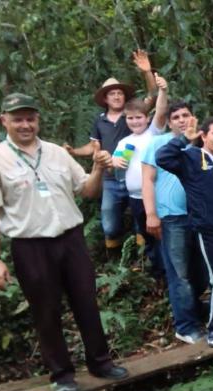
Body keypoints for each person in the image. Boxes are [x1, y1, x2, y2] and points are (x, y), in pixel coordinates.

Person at [0, 93, 129, 391]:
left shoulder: (57, 153)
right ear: (4, 120)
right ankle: (62, 375)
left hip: (71, 240)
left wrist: (98, 169)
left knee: (86, 302)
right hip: (30, 246)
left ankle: (100, 363)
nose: (25, 125)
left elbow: (87, 191)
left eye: (30, 118)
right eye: (18, 119)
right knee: (46, 311)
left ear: (37, 120)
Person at [156, 117, 213, 347]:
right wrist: (184, 139)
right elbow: (163, 158)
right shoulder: (191, 157)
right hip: (208, 231)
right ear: (203, 136)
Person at [65, 50, 158, 250]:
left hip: (136, 174)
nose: (116, 96)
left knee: (142, 219)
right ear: (105, 99)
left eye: (119, 93)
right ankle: (115, 258)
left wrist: (147, 72)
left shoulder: (133, 115)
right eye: (112, 94)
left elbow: (152, 95)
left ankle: (142, 258)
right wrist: (74, 152)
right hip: (110, 178)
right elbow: (93, 146)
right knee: (109, 223)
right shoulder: (99, 121)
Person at [141, 101, 208, 345]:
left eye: (186, 115)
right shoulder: (157, 144)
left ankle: (198, 312)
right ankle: (185, 326)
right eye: (176, 117)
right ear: (169, 122)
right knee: (180, 274)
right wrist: (151, 213)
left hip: (199, 216)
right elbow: (147, 180)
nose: (182, 120)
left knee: (201, 272)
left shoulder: (200, 142)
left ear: (193, 118)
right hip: (172, 217)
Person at [112, 76, 169, 276]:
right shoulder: (124, 142)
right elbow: (116, 163)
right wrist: (114, 161)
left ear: (146, 118)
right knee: (147, 235)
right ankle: (158, 272)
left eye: (139, 117)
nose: (135, 121)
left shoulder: (153, 134)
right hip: (135, 198)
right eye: (130, 118)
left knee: (163, 234)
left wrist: (163, 91)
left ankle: (169, 271)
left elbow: (161, 111)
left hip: (155, 195)